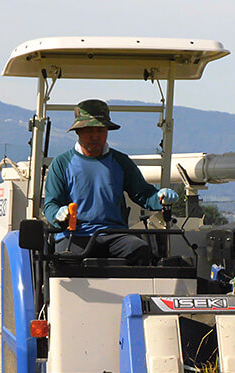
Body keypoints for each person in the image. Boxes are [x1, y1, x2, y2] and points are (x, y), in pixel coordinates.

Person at [43, 99, 178, 265]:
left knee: (140, 250)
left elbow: (143, 194)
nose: (95, 136)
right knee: (66, 261)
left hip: (115, 234)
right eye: (89, 130)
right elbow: (50, 205)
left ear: (107, 131)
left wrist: (160, 198)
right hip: (75, 235)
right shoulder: (62, 163)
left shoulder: (121, 162)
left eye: (100, 130)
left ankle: (135, 291)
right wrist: (58, 214)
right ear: (78, 132)